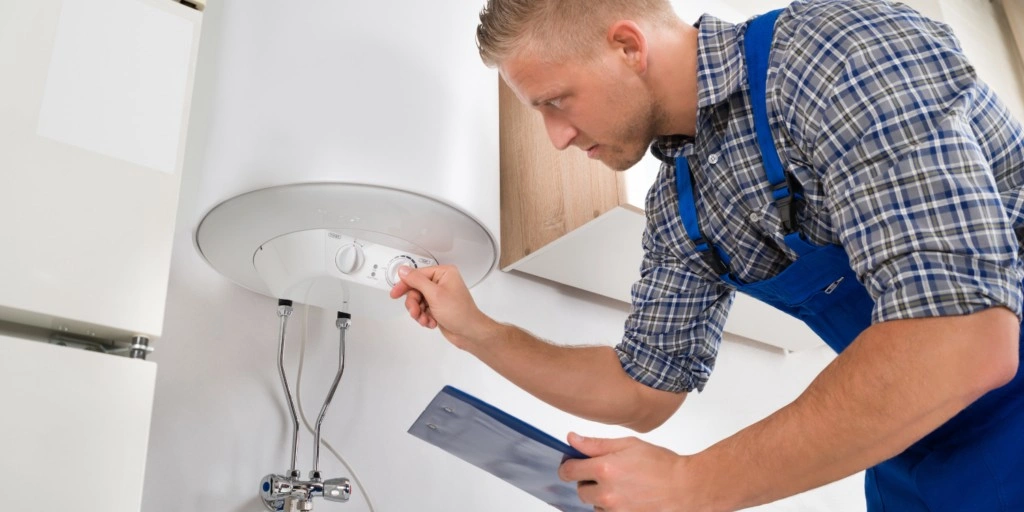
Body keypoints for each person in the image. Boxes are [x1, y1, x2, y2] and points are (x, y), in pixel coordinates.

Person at [390, 0, 1024, 510]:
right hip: (921, 450)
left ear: (627, 46)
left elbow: (962, 337)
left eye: (556, 101)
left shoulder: (832, 55)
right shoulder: (682, 205)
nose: (556, 137)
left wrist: (692, 485)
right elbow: (642, 390)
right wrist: (478, 332)